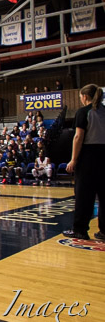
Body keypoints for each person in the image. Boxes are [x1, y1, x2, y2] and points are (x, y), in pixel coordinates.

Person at [63, 84, 105, 240]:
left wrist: (73, 159)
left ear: (85, 96)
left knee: (84, 195)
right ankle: (104, 231)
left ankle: (80, 230)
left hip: (88, 156)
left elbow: (78, 137)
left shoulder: (83, 112)